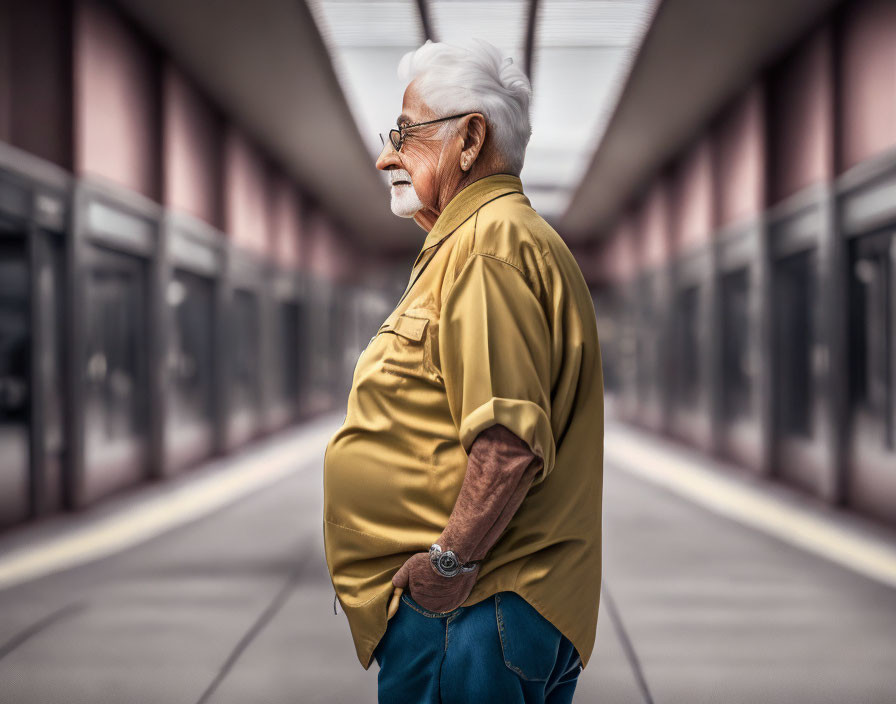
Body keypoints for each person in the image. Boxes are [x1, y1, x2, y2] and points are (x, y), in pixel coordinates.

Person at [323, 37, 604, 704]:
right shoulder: (500, 240)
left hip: (472, 613)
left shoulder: (486, 248)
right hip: (496, 614)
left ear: (470, 140)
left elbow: (507, 443)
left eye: (406, 132)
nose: (386, 155)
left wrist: (446, 565)